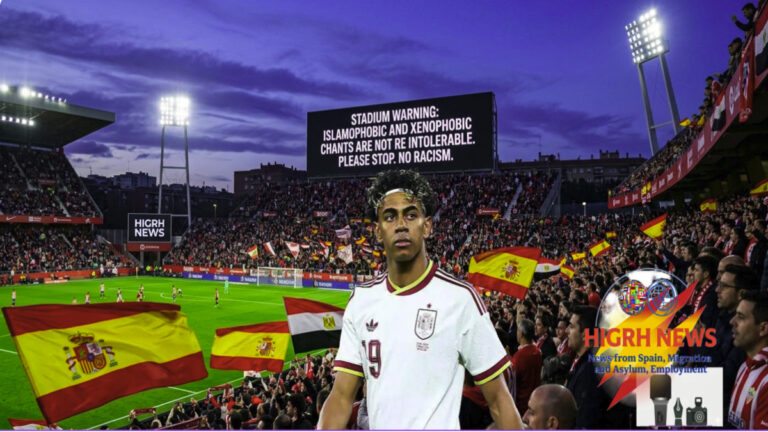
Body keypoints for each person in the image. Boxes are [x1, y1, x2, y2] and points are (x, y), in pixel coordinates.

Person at [319, 170, 522, 429]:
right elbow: (341, 396)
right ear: (378, 231)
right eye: (390, 216)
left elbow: (499, 401)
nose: (401, 224)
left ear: (427, 226)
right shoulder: (361, 300)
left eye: (411, 214)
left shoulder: (460, 299)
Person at [728, 290, 768, 428]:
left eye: (741, 317)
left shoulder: (766, 380)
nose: (732, 322)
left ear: (763, 328)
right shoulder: (745, 367)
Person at [512, 318, 542, 414]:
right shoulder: (538, 351)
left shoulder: (519, 356)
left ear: (521, 333)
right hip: (535, 400)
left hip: (521, 403)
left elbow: (513, 378)